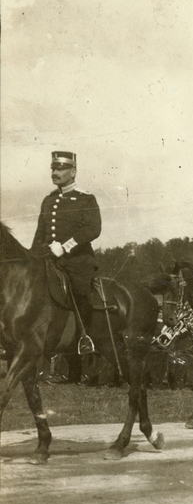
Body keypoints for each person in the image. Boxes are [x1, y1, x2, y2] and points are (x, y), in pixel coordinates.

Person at [31, 151, 102, 355]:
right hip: (48, 260)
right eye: (53, 168)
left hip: (76, 261)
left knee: (80, 292)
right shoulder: (48, 200)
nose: (55, 172)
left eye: (60, 169)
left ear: (73, 172)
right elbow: (39, 234)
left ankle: (84, 338)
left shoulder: (85, 199)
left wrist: (65, 246)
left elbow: (92, 229)